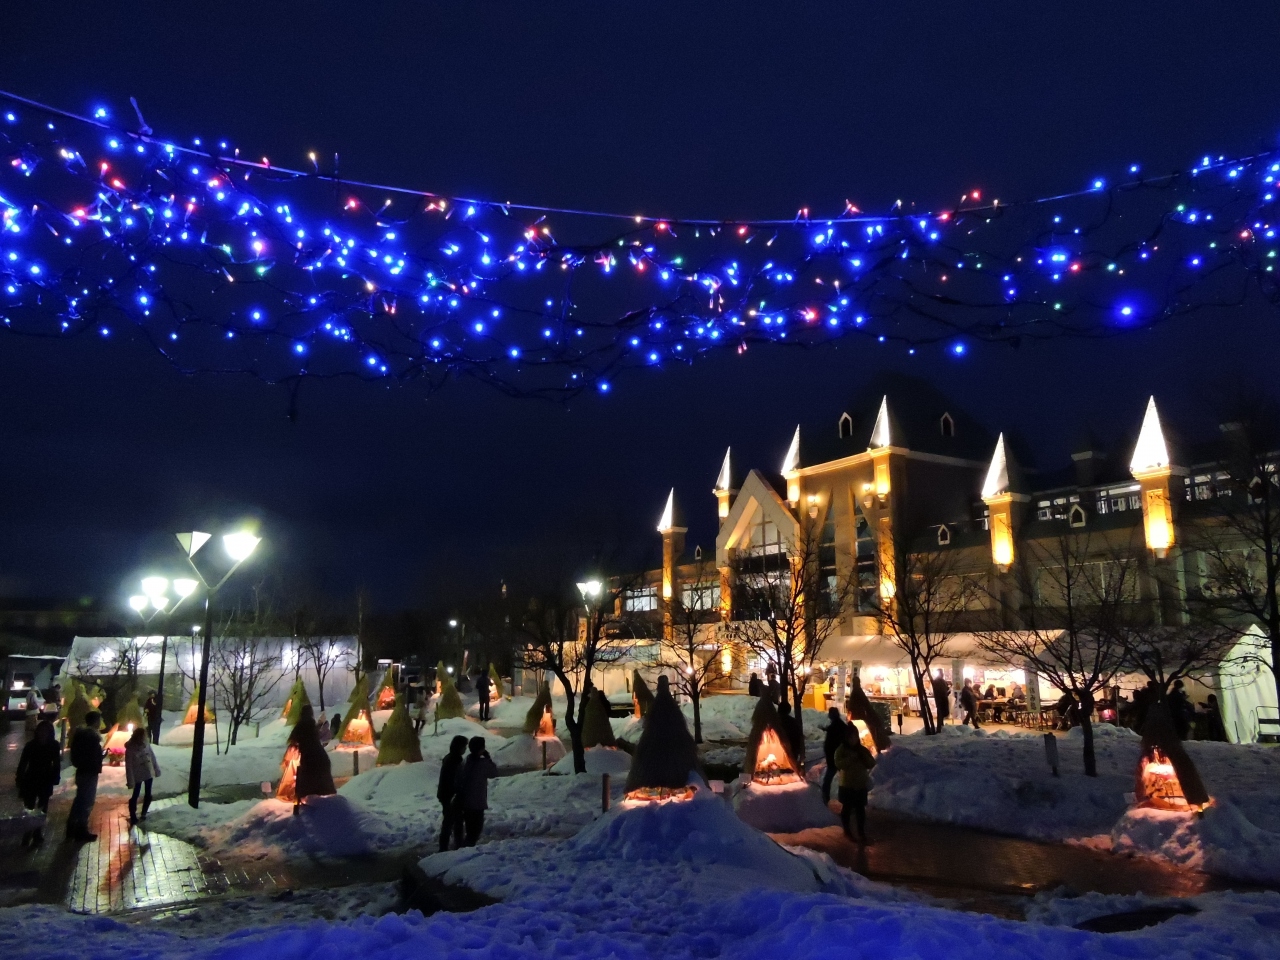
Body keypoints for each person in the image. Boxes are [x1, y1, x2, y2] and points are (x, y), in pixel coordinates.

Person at [15, 719, 60, 847]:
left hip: (45, 778)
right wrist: (19, 778)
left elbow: (56, 763)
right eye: (41, 731)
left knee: (42, 808)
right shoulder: (31, 745)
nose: (43, 733)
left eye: (46, 731)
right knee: (29, 807)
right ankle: (28, 833)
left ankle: (37, 833)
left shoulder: (53, 745)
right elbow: (23, 763)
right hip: (31, 778)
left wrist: (55, 777)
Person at [835, 727, 876, 844]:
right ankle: (847, 830)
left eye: (855, 736)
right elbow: (839, 763)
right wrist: (851, 758)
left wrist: (863, 757)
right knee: (847, 808)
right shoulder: (841, 750)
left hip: (860, 784)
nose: (854, 739)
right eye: (851, 737)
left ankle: (861, 832)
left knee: (860, 809)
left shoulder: (861, 750)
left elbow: (871, 762)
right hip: (847, 784)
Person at [455, 736, 498, 847]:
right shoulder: (483, 764)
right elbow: (494, 772)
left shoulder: (466, 761)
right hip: (477, 802)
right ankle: (465, 852)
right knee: (475, 831)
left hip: (465, 801)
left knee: (470, 829)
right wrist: (488, 758)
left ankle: (464, 848)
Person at [67, 710, 104, 842]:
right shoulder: (92, 737)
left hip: (82, 771)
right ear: (95, 722)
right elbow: (92, 755)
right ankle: (81, 829)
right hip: (89, 772)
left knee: (80, 799)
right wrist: (99, 759)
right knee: (86, 800)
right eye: (99, 720)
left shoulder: (80, 735)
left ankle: (71, 827)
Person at [124, 726, 161, 824]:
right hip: (137, 774)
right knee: (136, 794)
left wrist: (156, 769)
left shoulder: (146, 744)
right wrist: (130, 780)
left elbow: (152, 756)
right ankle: (133, 814)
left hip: (147, 771)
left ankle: (144, 813)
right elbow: (129, 765)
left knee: (148, 793)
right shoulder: (131, 748)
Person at [437, 735, 468, 851]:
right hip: (451, 795)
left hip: (445, 794)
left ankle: (445, 846)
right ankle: (455, 845)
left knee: (449, 821)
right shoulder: (456, 760)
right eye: (464, 746)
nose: (465, 749)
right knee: (455, 821)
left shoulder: (449, 758)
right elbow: (455, 779)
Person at [820, 706, 847, 804]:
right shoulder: (843, 726)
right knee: (844, 779)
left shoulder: (832, 728)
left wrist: (828, 755)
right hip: (842, 756)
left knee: (828, 778)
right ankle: (844, 798)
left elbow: (828, 745)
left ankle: (825, 797)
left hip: (833, 756)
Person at [777, 700, 805, 769]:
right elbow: (799, 737)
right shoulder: (793, 722)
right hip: (793, 750)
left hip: (778, 751)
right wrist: (801, 752)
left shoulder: (775, 722)